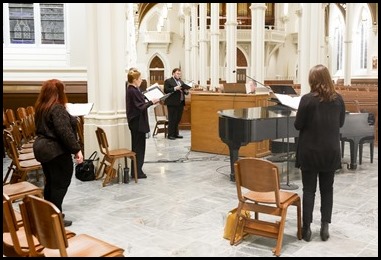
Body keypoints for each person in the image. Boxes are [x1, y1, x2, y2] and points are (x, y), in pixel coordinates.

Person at [294, 64, 346, 242]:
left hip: (310, 152)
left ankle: (306, 229)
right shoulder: (338, 99)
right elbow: (340, 123)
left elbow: (298, 125)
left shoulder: (307, 100)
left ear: (312, 81)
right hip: (330, 152)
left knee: (309, 190)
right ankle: (325, 228)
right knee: (327, 190)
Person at [33, 79, 84, 227]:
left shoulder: (42, 106)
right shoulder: (57, 108)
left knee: (51, 183)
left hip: (44, 149)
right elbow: (64, 132)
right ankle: (55, 218)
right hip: (56, 151)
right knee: (60, 184)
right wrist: (76, 149)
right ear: (59, 93)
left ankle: (49, 215)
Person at [126, 69, 159, 179]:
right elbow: (140, 107)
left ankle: (136, 170)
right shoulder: (132, 90)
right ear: (135, 80)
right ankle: (137, 172)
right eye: (140, 78)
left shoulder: (134, 89)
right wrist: (151, 102)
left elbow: (139, 101)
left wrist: (146, 97)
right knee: (138, 148)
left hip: (137, 123)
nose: (141, 80)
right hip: (137, 123)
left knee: (138, 147)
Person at [163, 68, 189, 140]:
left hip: (180, 102)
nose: (179, 75)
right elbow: (166, 90)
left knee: (178, 118)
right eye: (177, 73)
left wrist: (186, 91)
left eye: (180, 73)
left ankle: (176, 133)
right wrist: (175, 88)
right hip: (172, 102)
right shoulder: (168, 81)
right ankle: (170, 134)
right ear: (173, 73)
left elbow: (183, 90)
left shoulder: (181, 81)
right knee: (172, 119)